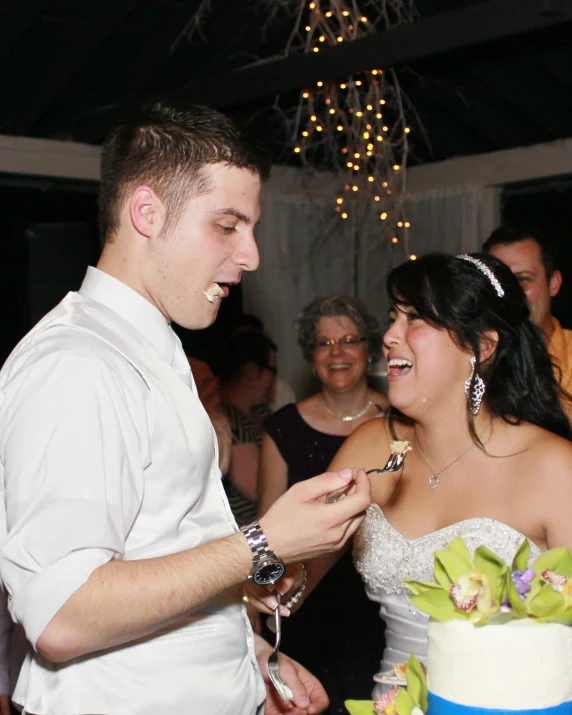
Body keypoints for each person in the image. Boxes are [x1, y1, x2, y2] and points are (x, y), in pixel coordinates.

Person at [0, 100, 373, 715]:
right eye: (227, 226)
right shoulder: (78, 363)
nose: (250, 255)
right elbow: (63, 616)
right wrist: (264, 541)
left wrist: (249, 656)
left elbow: (160, 548)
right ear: (147, 212)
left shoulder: (151, 349)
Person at [248, 252, 572, 700]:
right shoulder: (371, 447)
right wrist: (273, 588)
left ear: (482, 346)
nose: (390, 336)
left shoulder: (554, 468)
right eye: (392, 317)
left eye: (415, 319)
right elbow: (293, 578)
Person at [257, 294, 389, 713]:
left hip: (379, 603)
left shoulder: (401, 423)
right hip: (306, 604)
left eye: (349, 340)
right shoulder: (284, 429)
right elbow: (267, 532)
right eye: (323, 343)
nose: (337, 353)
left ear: (368, 350)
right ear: (310, 355)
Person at [482, 226, 572, 416]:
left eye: (522, 280)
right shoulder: (471, 363)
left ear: (554, 284)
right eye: (498, 282)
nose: (509, 294)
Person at [218, 331, 278, 525]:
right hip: (247, 534)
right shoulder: (227, 421)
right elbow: (259, 490)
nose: (273, 380)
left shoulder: (261, 412)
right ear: (252, 371)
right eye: (272, 371)